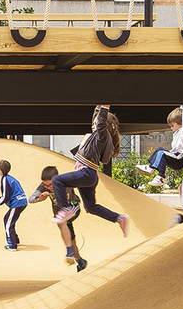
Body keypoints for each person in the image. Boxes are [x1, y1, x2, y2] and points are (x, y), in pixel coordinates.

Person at [48, 106, 130, 253]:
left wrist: (104, 107)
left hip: (86, 174)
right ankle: (120, 218)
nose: (93, 126)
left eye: (96, 124)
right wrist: (97, 107)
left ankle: (65, 209)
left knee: (57, 181)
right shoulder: (97, 138)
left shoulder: (102, 136)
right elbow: (96, 119)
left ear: (103, 126)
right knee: (91, 207)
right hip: (89, 175)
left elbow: (100, 123)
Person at [30, 165, 89, 273]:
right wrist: (40, 199)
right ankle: (81, 262)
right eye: (46, 185)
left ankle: (69, 252)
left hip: (73, 206)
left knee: (62, 222)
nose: (49, 187)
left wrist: (87, 202)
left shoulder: (66, 181)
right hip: (61, 215)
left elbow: (82, 186)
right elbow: (31, 199)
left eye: (51, 184)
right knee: (71, 240)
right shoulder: (43, 186)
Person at [137, 105, 183, 188]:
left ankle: (162, 176)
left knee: (162, 153)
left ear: (181, 123)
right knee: (160, 150)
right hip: (176, 157)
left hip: (181, 159)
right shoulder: (178, 133)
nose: (171, 128)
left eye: (172, 125)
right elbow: (181, 113)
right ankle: (151, 168)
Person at [0, 159, 29, 250]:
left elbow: (5, 197)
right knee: (8, 219)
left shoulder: (5, 179)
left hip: (17, 203)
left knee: (8, 223)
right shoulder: (10, 178)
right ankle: (15, 239)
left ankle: (12, 244)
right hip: (22, 201)